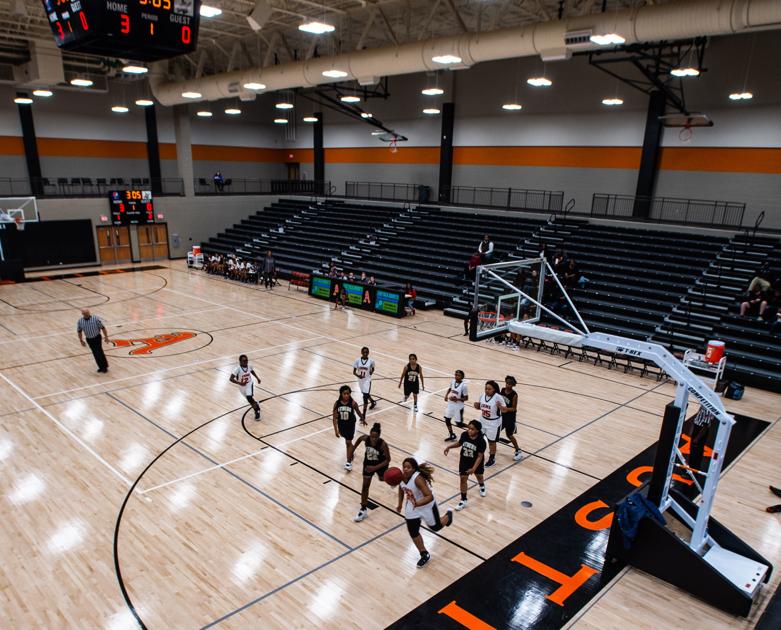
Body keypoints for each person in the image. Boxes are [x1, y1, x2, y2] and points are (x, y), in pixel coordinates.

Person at [396, 457, 453, 568]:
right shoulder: (401, 477)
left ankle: (448, 516)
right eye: (404, 467)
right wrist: (400, 504)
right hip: (413, 506)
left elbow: (429, 496)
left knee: (436, 527)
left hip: (427, 505)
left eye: (408, 467)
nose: (405, 469)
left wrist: (418, 503)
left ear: (413, 469)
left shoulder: (418, 479)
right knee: (413, 531)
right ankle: (424, 554)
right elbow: (401, 489)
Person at [444, 419, 487, 510]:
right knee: (463, 479)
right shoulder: (464, 435)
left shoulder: (481, 441)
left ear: (477, 431)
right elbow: (459, 443)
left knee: (479, 475)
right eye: (469, 428)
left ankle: (482, 486)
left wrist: (474, 469)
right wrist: (449, 447)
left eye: (472, 429)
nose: (469, 430)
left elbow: (480, 456)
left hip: (476, 462)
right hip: (464, 461)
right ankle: (463, 500)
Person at [353, 423, 391, 522]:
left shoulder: (383, 444)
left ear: (379, 436)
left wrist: (375, 468)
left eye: (376, 437)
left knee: (382, 479)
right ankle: (363, 509)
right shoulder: (366, 438)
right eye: (372, 436)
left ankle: (394, 480)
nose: (373, 439)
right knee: (365, 486)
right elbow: (359, 440)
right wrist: (352, 449)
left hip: (380, 464)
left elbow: (388, 460)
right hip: (368, 464)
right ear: (369, 434)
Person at [473, 380, 508, 468]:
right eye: (486, 389)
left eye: (489, 389)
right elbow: (479, 407)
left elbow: (505, 410)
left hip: (494, 423)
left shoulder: (498, 397)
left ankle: (492, 458)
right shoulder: (482, 396)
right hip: (483, 420)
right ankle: (478, 454)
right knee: (478, 437)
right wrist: (476, 405)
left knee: (491, 442)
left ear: (494, 390)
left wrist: (500, 407)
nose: (487, 390)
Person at [332, 385, 366, 471]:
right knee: (348, 443)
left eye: (348, 393)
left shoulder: (353, 403)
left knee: (348, 442)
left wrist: (363, 419)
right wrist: (336, 430)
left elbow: (358, 412)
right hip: (341, 425)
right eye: (345, 394)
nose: (346, 395)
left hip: (350, 425)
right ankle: (352, 451)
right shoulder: (337, 403)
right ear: (341, 394)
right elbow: (334, 417)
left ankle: (348, 462)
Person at [77, 308, 110, 373]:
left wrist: (106, 337)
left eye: (88, 313)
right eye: (85, 313)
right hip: (89, 339)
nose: (87, 314)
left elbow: (103, 328)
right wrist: (81, 340)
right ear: (82, 314)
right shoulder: (80, 321)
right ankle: (100, 367)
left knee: (99, 352)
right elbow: (79, 331)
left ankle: (105, 367)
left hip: (97, 338)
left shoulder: (95, 319)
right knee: (95, 353)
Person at [229, 354, 262, 420]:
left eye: (246, 360)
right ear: (240, 362)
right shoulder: (237, 369)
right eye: (244, 361)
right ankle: (256, 404)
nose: (246, 362)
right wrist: (240, 383)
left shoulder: (249, 366)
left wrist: (257, 378)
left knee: (249, 398)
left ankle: (257, 411)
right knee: (250, 400)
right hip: (242, 386)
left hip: (249, 384)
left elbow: (252, 371)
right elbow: (231, 379)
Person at [500, 376, 523, 461]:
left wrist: (506, 409)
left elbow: (514, 408)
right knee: (496, 431)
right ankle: (492, 451)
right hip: (502, 416)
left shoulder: (514, 395)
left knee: (509, 435)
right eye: (507, 383)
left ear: (513, 385)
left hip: (510, 418)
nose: (508, 385)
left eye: (510, 384)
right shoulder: (502, 390)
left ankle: (518, 450)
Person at [443, 369, 469, 440]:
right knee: (447, 419)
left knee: (459, 424)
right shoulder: (452, 381)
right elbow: (450, 389)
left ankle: (472, 428)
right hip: (451, 405)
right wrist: (446, 395)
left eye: (459, 375)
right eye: (456, 375)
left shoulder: (464, 386)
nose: (456, 376)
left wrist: (457, 399)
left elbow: (466, 398)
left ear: (462, 377)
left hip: (459, 406)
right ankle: (452, 434)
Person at [352, 346, 378, 416]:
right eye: (364, 352)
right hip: (360, 381)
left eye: (366, 352)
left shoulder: (371, 361)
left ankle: (364, 414)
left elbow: (373, 368)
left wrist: (371, 372)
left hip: (367, 380)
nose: (365, 353)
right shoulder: (357, 360)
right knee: (365, 394)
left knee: (365, 397)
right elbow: (354, 372)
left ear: (368, 353)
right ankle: (373, 402)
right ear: (361, 352)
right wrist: (358, 376)